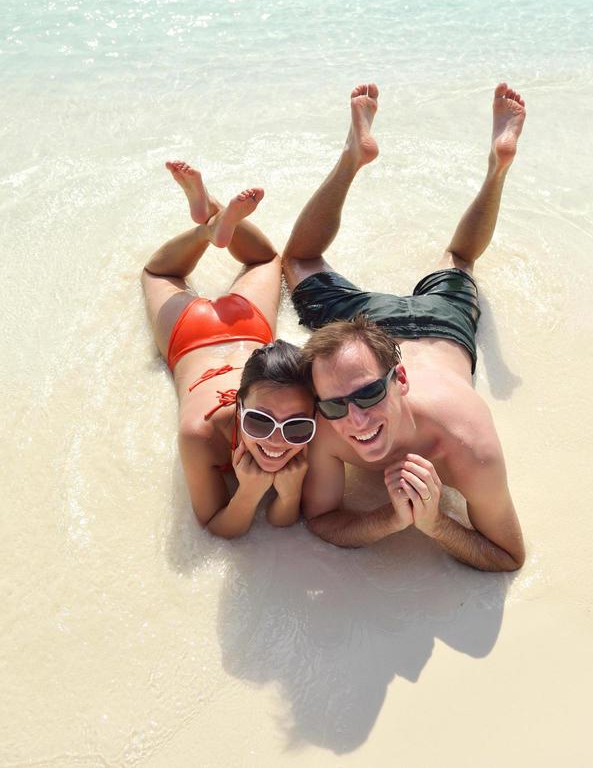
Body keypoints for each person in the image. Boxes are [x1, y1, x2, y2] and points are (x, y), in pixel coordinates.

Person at [282, 83, 526, 572]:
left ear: (401, 380)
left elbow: (509, 556)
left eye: (370, 396)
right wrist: (391, 521)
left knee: (302, 258)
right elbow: (320, 519)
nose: (355, 420)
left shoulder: (467, 444)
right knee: (455, 258)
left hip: (437, 329)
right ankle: (356, 156)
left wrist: (434, 523)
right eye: (335, 404)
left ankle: (497, 167)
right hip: (365, 335)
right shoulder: (327, 425)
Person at [142, 161, 314, 539]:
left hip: (234, 329)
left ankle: (210, 222)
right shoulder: (199, 433)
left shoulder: (307, 432)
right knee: (160, 273)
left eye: (298, 426)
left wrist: (291, 490)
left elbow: (284, 518)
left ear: (313, 417)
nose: (275, 441)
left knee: (260, 261)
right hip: (194, 336)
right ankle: (211, 222)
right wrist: (249, 496)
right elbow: (217, 528)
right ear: (237, 404)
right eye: (259, 421)